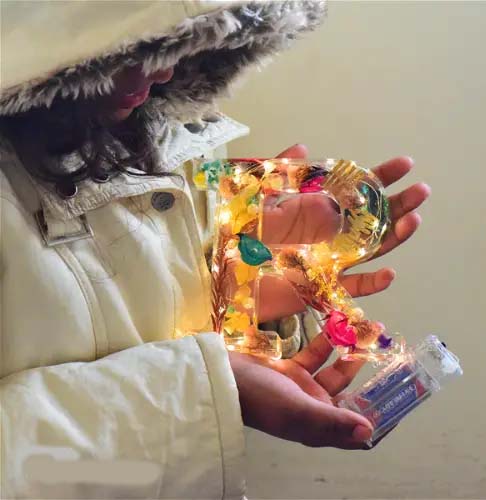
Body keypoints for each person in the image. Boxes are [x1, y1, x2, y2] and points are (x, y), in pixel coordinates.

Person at [0, 1, 430, 498]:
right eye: (137, 46)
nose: (164, 70)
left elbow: (134, 318)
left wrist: (234, 306)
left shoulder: (172, 137)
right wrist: (209, 389)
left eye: (180, 40)